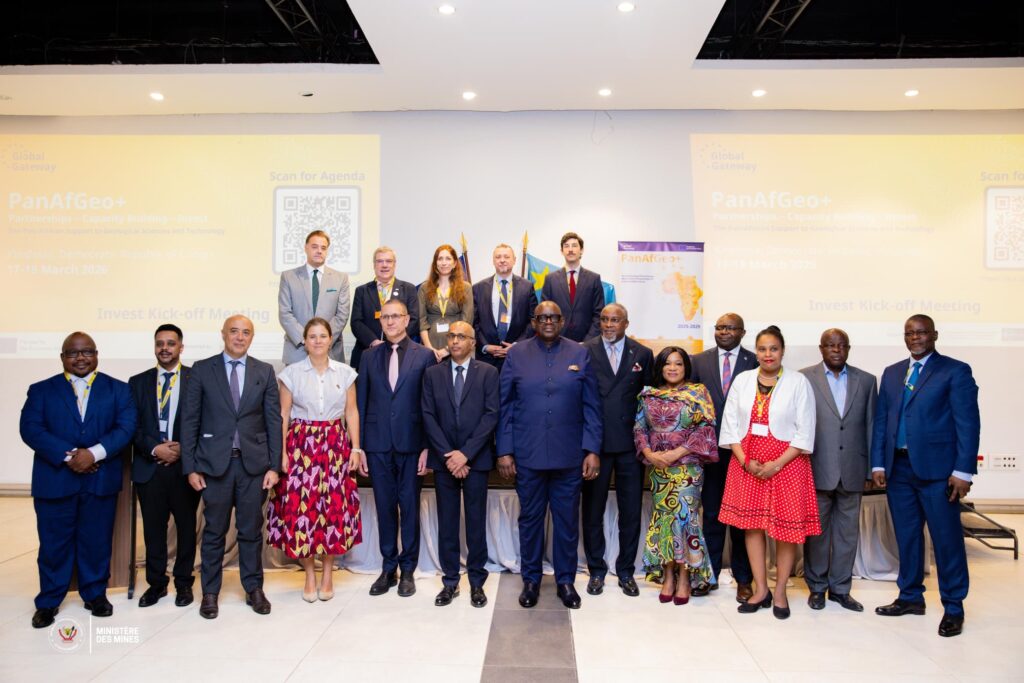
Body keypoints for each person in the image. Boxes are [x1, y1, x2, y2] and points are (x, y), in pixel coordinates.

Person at [871, 314, 979, 638]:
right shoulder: (892, 373)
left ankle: (954, 607)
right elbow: (882, 421)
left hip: (939, 472)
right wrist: (878, 464)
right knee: (907, 537)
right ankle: (910, 597)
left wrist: (962, 470)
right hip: (899, 469)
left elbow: (968, 423)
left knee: (946, 541)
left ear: (934, 335)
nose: (915, 337)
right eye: (909, 333)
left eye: (921, 332)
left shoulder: (955, 371)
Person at [20, 332, 136, 628]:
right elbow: (31, 429)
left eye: (87, 352)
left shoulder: (118, 390)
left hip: (100, 479)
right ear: (62, 357)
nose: (80, 358)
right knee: (53, 545)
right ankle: (48, 601)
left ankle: (95, 595)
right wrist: (70, 456)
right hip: (55, 481)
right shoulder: (41, 390)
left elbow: (126, 428)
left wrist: (93, 454)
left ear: (96, 355)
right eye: (73, 353)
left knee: (96, 542)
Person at [497, 301, 603, 609]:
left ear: (562, 321)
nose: (547, 322)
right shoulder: (516, 354)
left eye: (553, 317)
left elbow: (591, 406)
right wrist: (504, 450)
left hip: (569, 456)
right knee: (530, 520)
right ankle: (530, 580)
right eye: (542, 317)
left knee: (567, 522)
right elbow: (505, 405)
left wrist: (592, 449)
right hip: (527, 454)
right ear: (533, 321)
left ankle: (565, 581)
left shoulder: (579, 353)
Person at [180, 315, 283, 619]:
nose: (240, 337)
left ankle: (254, 588)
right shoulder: (202, 369)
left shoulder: (264, 371)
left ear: (252, 337)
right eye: (234, 331)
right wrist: (190, 467)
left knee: (250, 531)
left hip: (254, 467)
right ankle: (210, 593)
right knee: (214, 532)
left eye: (246, 332)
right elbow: (190, 420)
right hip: (214, 466)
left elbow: (273, 420)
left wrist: (274, 466)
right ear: (223, 334)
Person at [719, 325, 819, 620]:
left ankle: (780, 591)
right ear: (756, 351)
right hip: (748, 464)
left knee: (785, 531)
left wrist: (776, 464)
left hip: (788, 465)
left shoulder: (798, 382)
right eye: (762, 349)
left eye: (773, 348)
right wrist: (744, 460)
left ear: (782, 351)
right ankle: (761, 589)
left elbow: (805, 431)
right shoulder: (743, 380)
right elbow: (730, 425)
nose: (767, 354)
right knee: (752, 527)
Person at [267, 317, 363, 602]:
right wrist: (281, 453)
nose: (318, 341)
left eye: (323, 336)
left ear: (331, 340)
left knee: (333, 510)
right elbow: (283, 415)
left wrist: (356, 448)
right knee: (303, 511)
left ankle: (328, 573)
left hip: (335, 445)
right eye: (312, 336)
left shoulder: (345, 373)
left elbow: (351, 412)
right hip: (301, 446)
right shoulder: (291, 374)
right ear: (304, 341)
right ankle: (309, 574)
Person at [357, 298, 435, 597]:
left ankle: (408, 570)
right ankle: (388, 567)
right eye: (385, 317)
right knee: (384, 507)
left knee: (409, 507)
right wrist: (361, 448)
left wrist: (427, 447)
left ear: (406, 320)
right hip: (377, 445)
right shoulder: (368, 357)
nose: (390, 322)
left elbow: (429, 405)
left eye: (395, 316)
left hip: (412, 444)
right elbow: (361, 403)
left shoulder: (424, 355)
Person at [421, 321, 500, 607]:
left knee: (476, 522)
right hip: (445, 461)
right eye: (451, 336)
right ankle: (450, 582)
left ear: (473, 342)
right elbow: (428, 415)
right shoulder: (433, 374)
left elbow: (491, 415)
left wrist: (465, 454)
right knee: (448, 522)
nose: (454, 341)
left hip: (475, 460)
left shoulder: (488, 373)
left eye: (461, 336)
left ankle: (477, 582)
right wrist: (449, 455)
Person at [800, 328, 877, 612]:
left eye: (841, 345)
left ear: (848, 348)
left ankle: (841, 589)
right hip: (816, 467)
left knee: (847, 534)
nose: (836, 350)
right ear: (821, 348)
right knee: (817, 534)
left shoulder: (867, 381)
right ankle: (817, 587)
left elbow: (871, 426)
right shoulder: (804, 378)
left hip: (853, 469)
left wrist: (870, 471)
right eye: (830, 345)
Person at [634, 347, 719, 604]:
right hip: (659, 469)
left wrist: (675, 454)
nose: (672, 368)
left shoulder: (698, 393)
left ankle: (684, 577)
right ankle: (668, 576)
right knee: (664, 521)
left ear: (686, 368)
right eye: (667, 363)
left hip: (688, 469)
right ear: (660, 367)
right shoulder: (648, 394)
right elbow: (639, 428)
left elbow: (705, 429)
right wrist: (650, 454)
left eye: (678, 364)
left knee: (685, 520)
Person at [581, 303, 653, 597]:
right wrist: (588, 446)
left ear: (626, 323)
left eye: (615, 320)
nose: (609, 325)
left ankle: (626, 571)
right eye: (604, 319)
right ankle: (596, 570)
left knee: (630, 511)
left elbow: (648, 402)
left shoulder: (643, 354)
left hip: (630, 447)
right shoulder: (585, 350)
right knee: (592, 510)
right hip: (596, 445)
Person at [128, 324, 200, 608]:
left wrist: (183, 448)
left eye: (171, 343)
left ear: (181, 347)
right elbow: (130, 426)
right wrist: (155, 448)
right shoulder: (137, 382)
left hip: (184, 468)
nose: (165, 348)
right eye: (160, 343)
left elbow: (205, 420)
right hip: (150, 467)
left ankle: (183, 584)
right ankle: (156, 584)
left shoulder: (196, 378)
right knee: (153, 531)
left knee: (186, 529)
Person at [689, 312, 757, 601]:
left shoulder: (755, 361)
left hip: (744, 451)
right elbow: (690, 403)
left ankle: (744, 579)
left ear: (742, 332)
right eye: (719, 327)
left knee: (742, 518)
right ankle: (710, 575)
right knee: (712, 515)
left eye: (730, 328)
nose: (724, 332)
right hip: (710, 452)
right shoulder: (698, 361)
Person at [278, 229, 352, 365]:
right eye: (314, 247)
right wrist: (306, 339)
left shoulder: (341, 278)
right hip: (298, 351)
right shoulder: (288, 277)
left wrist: (323, 339)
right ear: (306, 248)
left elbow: (342, 314)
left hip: (331, 353)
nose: (319, 251)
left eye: (323, 248)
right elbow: (285, 313)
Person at [349, 246, 420, 372]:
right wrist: (373, 341)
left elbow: (414, 319)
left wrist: (394, 341)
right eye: (380, 261)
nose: (384, 265)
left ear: (394, 264)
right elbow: (356, 322)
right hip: (368, 352)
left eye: (388, 261)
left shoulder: (408, 289)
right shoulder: (362, 291)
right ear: (374, 265)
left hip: (400, 352)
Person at [472, 243, 537, 370]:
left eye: (506, 257)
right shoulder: (478, 288)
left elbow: (533, 321)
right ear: (493, 260)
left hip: (518, 356)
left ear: (514, 260)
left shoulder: (527, 287)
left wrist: (517, 345)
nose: (502, 260)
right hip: (486, 359)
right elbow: (474, 322)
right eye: (498, 257)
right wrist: (485, 346)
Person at [540, 231, 604, 342]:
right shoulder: (550, 279)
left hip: (586, 342)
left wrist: (588, 341)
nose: (570, 249)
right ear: (562, 251)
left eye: (574, 246)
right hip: (557, 341)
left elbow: (599, 314)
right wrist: (553, 337)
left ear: (581, 250)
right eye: (566, 246)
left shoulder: (594, 279)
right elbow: (545, 312)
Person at [418, 244, 474, 363]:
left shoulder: (466, 288)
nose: (444, 263)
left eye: (448, 259)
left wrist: (448, 349)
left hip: (458, 346)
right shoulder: (424, 288)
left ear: (455, 263)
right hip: (431, 347)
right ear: (435, 263)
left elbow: (467, 321)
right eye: (440, 259)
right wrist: (429, 348)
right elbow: (421, 321)